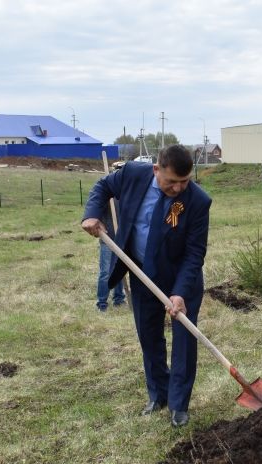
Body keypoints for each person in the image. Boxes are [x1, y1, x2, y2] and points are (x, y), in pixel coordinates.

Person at [81, 145, 211, 428]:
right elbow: (102, 187)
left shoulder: (198, 202)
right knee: (149, 336)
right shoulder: (131, 175)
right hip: (141, 272)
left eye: (184, 181)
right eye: (171, 181)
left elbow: (194, 253)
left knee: (184, 342)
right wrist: (91, 215)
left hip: (180, 280)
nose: (178, 188)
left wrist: (179, 293)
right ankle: (158, 395)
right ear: (156, 170)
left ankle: (179, 405)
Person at [96, 205, 126, 311]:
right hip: (107, 239)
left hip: (121, 238)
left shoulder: (122, 193)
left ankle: (119, 299)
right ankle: (102, 303)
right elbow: (94, 209)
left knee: (119, 270)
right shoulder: (104, 193)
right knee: (106, 272)